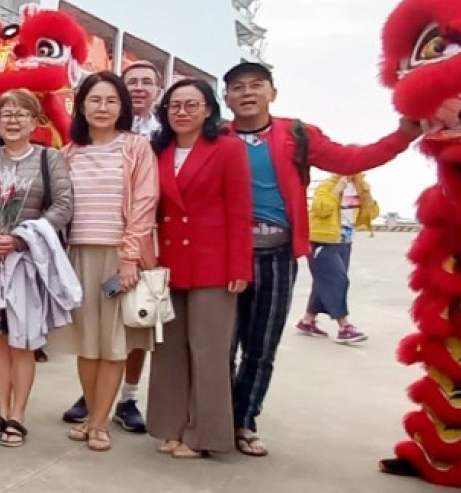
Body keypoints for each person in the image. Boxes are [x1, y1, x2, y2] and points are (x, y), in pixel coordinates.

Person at [223, 61, 417, 457]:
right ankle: (214, 418)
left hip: (276, 254)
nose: (247, 93)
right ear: (226, 98)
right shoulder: (214, 137)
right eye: (238, 87)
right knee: (218, 345)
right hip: (225, 255)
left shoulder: (297, 135)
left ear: (272, 93)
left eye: (256, 85)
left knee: (261, 347)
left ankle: (243, 421)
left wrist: (403, 136)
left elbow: (350, 159)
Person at [49, 73, 158, 453]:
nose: (103, 107)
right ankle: (92, 414)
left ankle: (98, 423)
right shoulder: (69, 153)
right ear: (81, 106)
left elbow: (144, 204)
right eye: (95, 100)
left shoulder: (137, 148)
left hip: (119, 256)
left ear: (122, 107)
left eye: (112, 101)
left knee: (114, 343)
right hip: (78, 255)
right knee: (87, 343)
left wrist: (129, 258)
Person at [0, 90, 73, 448]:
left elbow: (63, 207)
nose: (13, 120)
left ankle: (18, 416)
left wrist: (22, 238)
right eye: (6, 113)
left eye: (22, 114)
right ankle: (0, 410)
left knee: (23, 340)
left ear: (36, 121)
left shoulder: (49, 159)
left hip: (26, 263)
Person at [146, 79, 252, 458]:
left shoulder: (227, 148)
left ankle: (203, 434)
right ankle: (170, 426)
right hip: (169, 262)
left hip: (213, 264)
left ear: (208, 109)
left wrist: (240, 265)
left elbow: (240, 209)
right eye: (175, 105)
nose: (182, 112)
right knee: (169, 350)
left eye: (192, 105)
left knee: (209, 352)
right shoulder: (158, 149)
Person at [296, 173, 378, 344]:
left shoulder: (360, 186)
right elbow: (321, 209)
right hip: (322, 240)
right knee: (337, 281)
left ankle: (307, 321)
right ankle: (344, 327)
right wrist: (338, 188)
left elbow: (372, 213)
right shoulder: (327, 185)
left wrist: (366, 194)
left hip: (344, 241)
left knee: (324, 281)